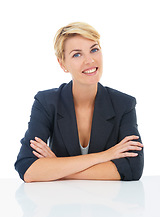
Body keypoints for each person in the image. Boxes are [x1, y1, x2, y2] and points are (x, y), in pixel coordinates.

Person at [15, 22, 144, 182]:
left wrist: (55, 167)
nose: (90, 60)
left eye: (94, 49)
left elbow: (132, 169)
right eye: (77, 54)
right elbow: (27, 169)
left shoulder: (123, 104)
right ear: (63, 64)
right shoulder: (46, 102)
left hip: (108, 202)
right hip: (60, 202)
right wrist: (105, 156)